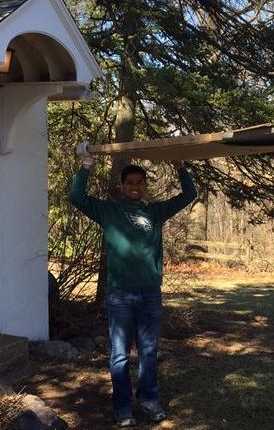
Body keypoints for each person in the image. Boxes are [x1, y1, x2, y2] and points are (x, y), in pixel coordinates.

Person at [68, 141, 197, 428]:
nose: (135, 186)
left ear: (146, 186)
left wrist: (180, 166)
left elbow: (190, 194)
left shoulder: (156, 212)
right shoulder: (108, 212)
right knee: (119, 356)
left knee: (149, 351)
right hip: (120, 296)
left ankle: (149, 398)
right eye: (130, 183)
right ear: (122, 186)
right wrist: (85, 166)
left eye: (140, 182)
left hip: (150, 294)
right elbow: (76, 196)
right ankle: (122, 407)